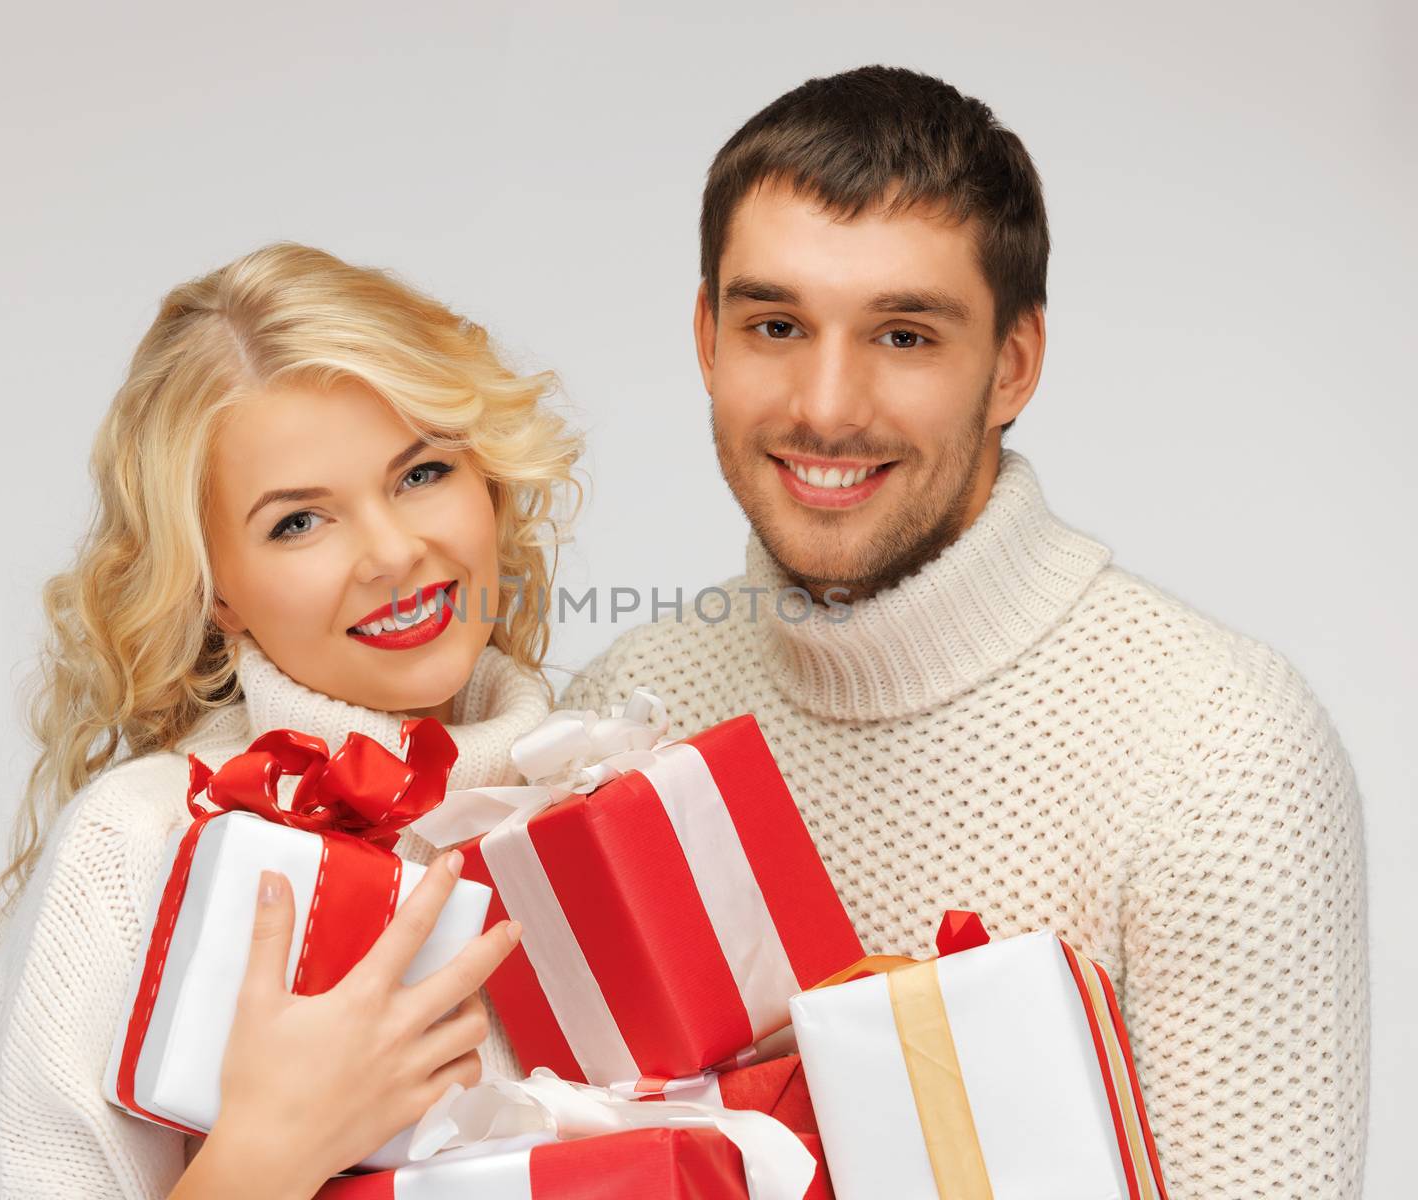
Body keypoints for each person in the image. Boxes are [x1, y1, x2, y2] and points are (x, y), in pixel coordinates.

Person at [563, 66, 1368, 1196]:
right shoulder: (617, 716)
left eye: (902, 336)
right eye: (776, 324)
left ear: (1013, 366)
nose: (827, 405)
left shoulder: (1219, 748)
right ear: (707, 338)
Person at [0, 242, 581, 1199]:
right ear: (218, 593)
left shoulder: (601, 797)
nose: (393, 552)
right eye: (298, 522)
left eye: (420, 474)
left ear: (486, 481)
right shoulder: (141, 841)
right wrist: (269, 1153)